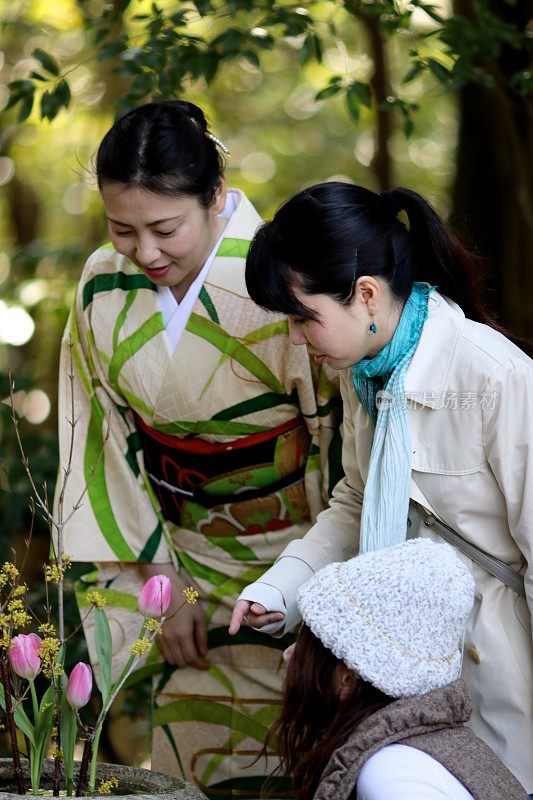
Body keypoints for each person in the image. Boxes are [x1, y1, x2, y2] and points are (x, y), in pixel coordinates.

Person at [54, 102, 342, 799]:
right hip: (174, 555)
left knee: (306, 753)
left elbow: (337, 445)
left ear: (215, 195)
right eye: (122, 229)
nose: (144, 253)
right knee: (187, 750)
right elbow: (98, 432)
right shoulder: (102, 284)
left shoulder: (280, 281)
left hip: (296, 555)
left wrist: (330, 596)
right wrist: (161, 588)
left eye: (164, 229)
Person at [229, 180, 533, 793]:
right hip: (400, 675)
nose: (294, 338)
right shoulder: (365, 376)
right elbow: (358, 498)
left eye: (301, 317)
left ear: (364, 295)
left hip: (501, 682)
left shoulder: (495, 376)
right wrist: (280, 590)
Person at [270, 538, 528, 800]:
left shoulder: (388, 776)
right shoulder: (437, 749)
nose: (288, 655)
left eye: (308, 644)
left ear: (348, 678)